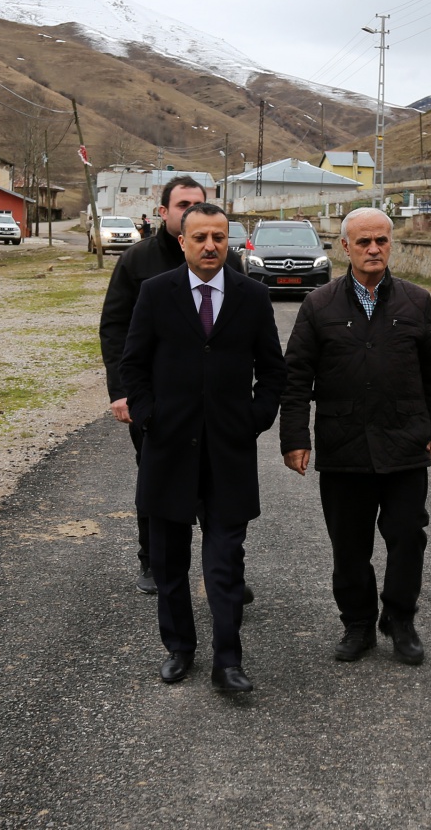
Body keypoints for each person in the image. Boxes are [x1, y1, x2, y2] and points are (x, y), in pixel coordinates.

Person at [119, 202, 286, 690]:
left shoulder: (252, 296)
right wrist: (150, 418)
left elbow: (274, 370)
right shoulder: (155, 293)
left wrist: (254, 419)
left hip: (229, 453)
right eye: (200, 238)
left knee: (225, 561)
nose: (210, 246)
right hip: (168, 449)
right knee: (169, 561)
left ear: (228, 241)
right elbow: (133, 365)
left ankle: (228, 661)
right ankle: (179, 649)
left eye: (219, 237)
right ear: (182, 242)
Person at [280, 207, 431, 665]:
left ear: (391, 244)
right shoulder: (319, 305)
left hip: (405, 445)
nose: (373, 249)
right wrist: (294, 437)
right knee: (350, 544)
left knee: (407, 537)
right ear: (345, 248)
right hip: (344, 447)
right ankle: (357, 623)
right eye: (363, 242)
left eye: (381, 240)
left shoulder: (416, 301)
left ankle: (399, 619)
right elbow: (295, 377)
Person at [100, 176, 239, 597]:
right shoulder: (137, 261)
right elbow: (115, 329)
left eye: (198, 203)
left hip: (213, 406)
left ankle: (226, 571)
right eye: (182, 205)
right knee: (157, 483)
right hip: (156, 403)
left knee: (217, 487)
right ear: (164, 213)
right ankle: (153, 561)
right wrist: (123, 392)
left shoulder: (226, 263)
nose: (190, 211)